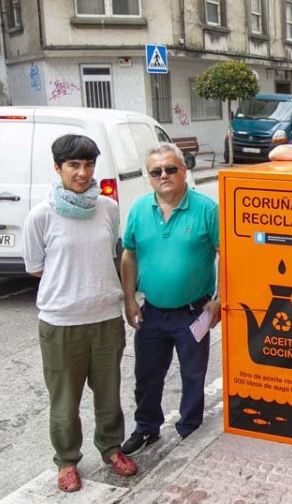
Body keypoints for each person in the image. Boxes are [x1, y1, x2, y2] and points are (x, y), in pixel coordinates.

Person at [23, 134, 137, 492]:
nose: (83, 172)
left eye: (89, 165)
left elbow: (115, 253)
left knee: (109, 394)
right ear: (58, 168)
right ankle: (67, 461)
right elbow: (35, 268)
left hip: (105, 318)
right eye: (74, 165)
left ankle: (111, 448)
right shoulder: (41, 215)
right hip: (61, 323)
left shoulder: (108, 208)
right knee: (64, 401)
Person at [120, 143, 221, 455]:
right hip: (152, 312)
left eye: (170, 169)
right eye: (156, 171)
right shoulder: (138, 209)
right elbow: (129, 254)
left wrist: (220, 298)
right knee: (147, 376)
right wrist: (129, 299)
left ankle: (189, 430)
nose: (163, 175)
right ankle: (147, 428)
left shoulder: (207, 209)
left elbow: (228, 255)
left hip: (192, 312)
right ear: (149, 177)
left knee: (193, 375)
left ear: (184, 171)